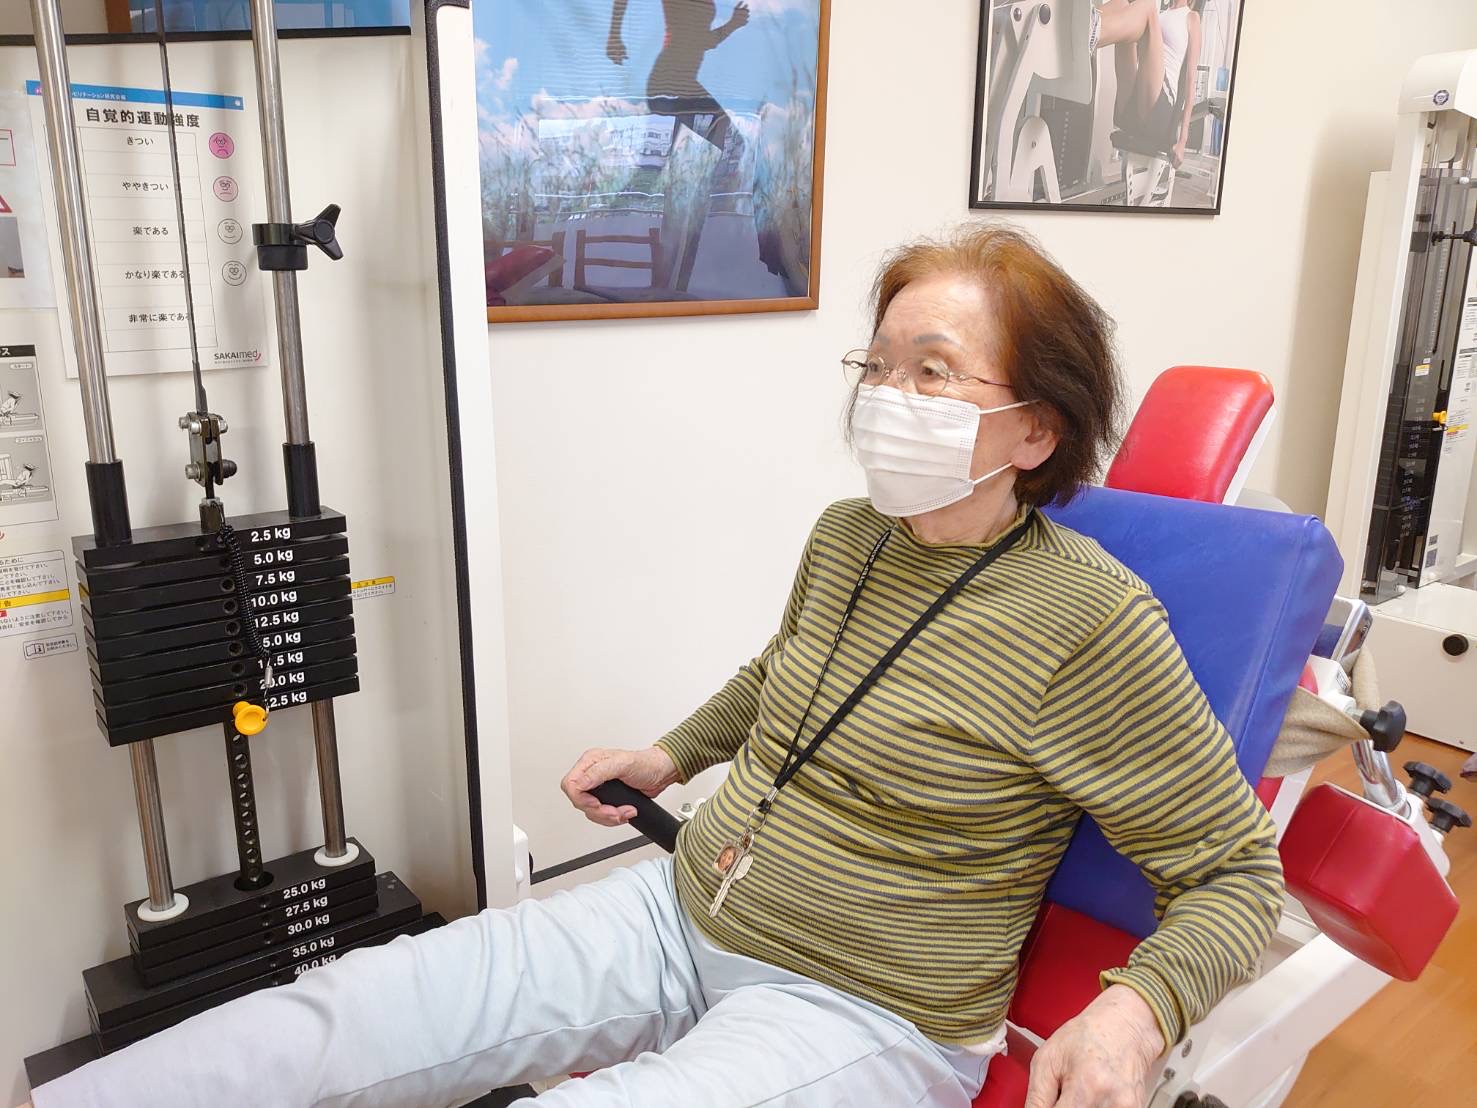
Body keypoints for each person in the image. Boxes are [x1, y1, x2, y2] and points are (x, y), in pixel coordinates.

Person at [29, 224, 1281, 1108]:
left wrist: (1136, 1009)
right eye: (878, 364)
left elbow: (1234, 874)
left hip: (865, 1010)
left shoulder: (1091, 622)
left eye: (932, 372)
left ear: (1035, 428)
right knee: (350, 1009)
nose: (886, 396)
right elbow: (784, 673)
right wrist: (674, 753)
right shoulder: (851, 535)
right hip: (686, 907)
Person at [1093, 0, 1204, 166]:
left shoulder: (1191, 17)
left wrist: (1182, 141)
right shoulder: (1161, 15)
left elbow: (1191, 81)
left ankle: (1093, 31)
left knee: (1147, 6)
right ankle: (1090, 28)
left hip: (1160, 104)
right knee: (1124, 3)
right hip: (1137, 98)